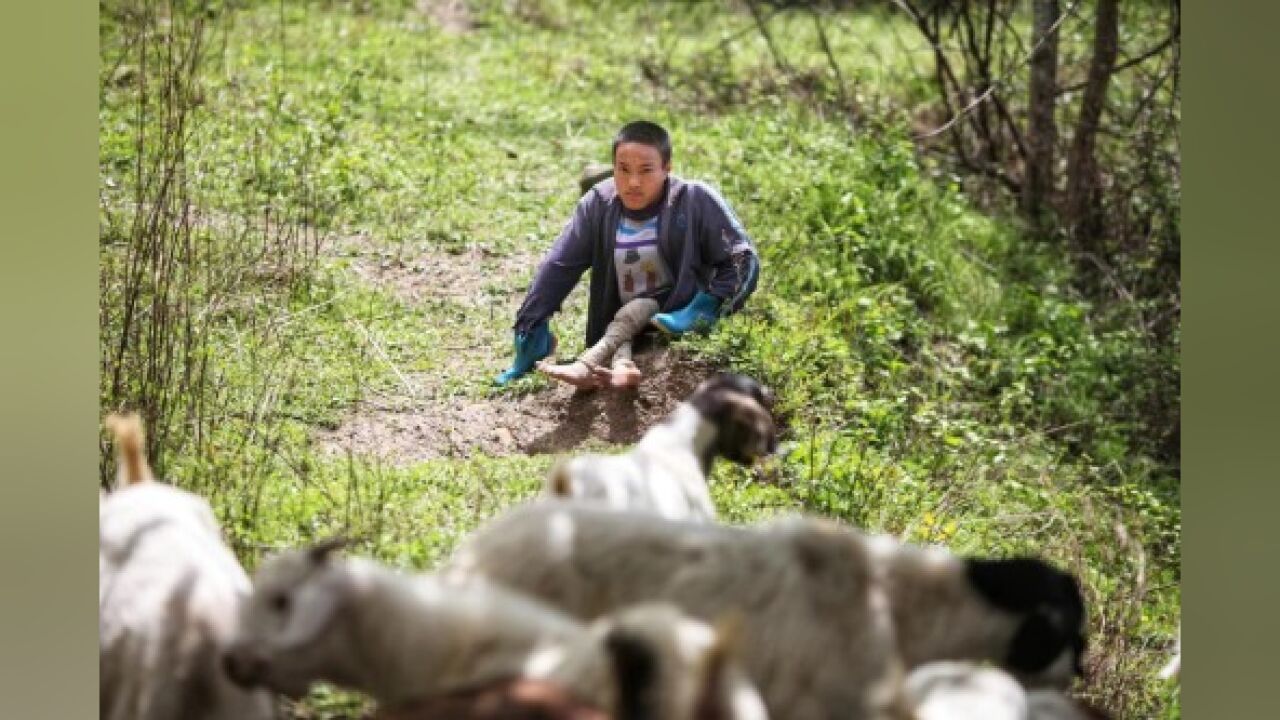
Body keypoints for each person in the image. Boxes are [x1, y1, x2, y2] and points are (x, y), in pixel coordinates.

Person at [495, 120, 761, 388]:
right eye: (623, 170)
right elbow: (559, 265)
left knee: (640, 310)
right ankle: (612, 370)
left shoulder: (694, 200)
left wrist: (703, 310)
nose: (633, 182)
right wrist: (529, 327)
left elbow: (742, 260)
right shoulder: (598, 204)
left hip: (675, 318)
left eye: (646, 170)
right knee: (625, 325)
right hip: (620, 323)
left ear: (667, 168)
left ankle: (592, 366)